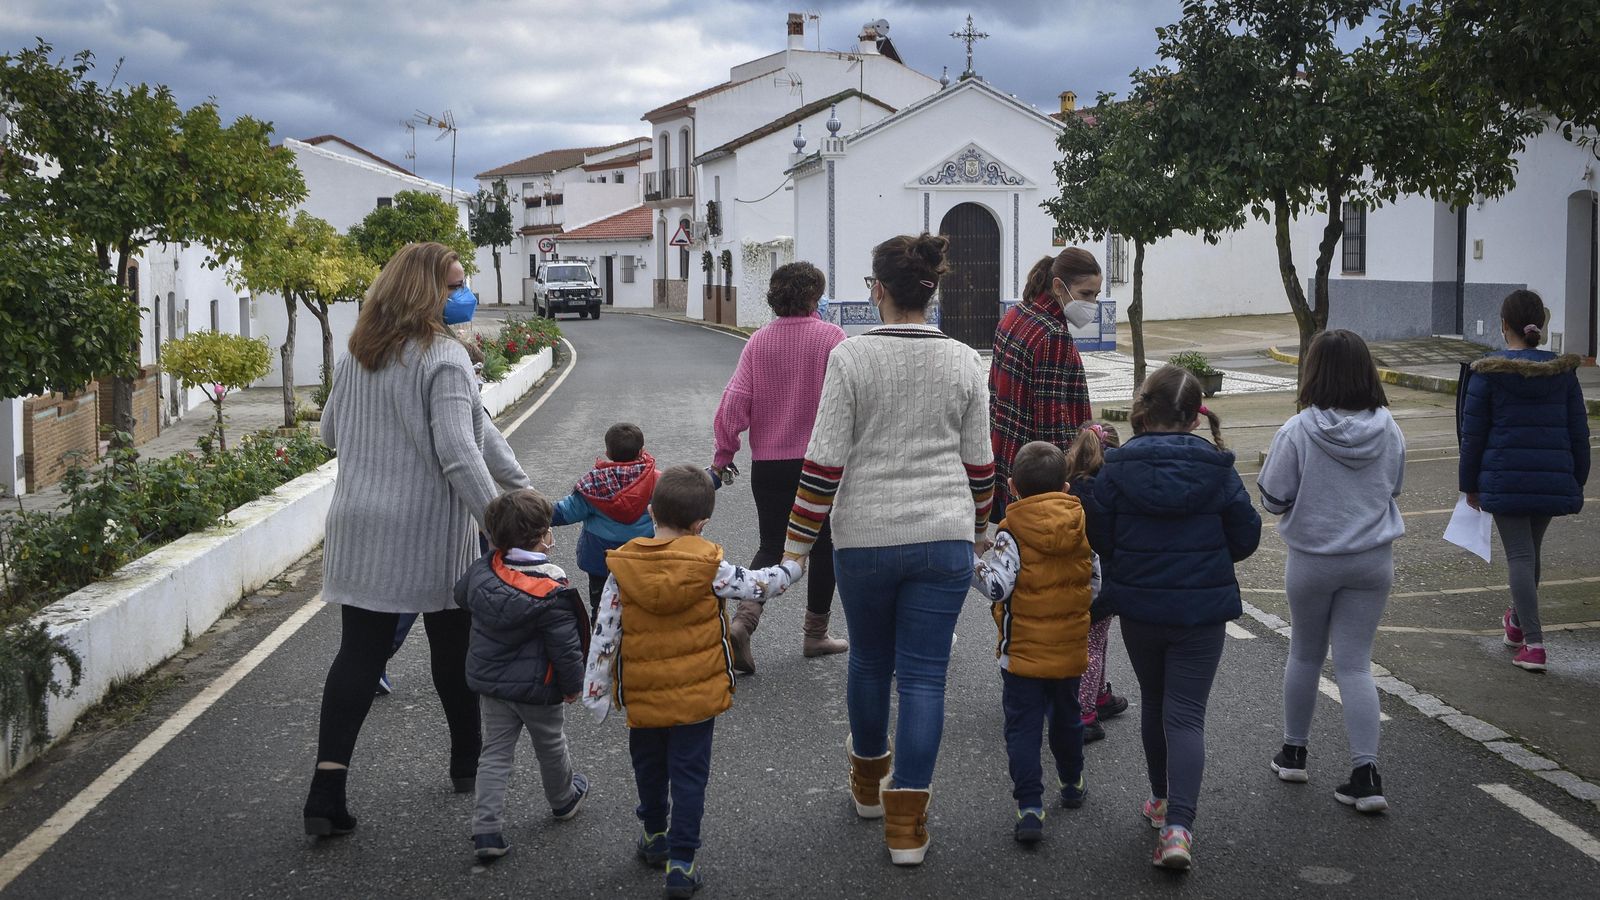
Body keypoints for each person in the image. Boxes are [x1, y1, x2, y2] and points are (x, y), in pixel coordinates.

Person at [303, 242, 529, 837]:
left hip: (357, 526)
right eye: (454, 284)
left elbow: (329, 432)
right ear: (425, 291)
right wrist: (499, 525)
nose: (463, 293)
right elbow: (459, 452)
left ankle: (325, 793)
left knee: (359, 654)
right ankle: (465, 766)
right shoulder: (444, 358)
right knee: (454, 649)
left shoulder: (359, 353)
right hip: (428, 531)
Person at [783, 233, 995, 867]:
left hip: (866, 539)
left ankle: (868, 786)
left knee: (871, 662)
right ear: (933, 289)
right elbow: (980, 463)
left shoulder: (850, 359)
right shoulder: (964, 360)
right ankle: (907, 825)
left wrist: (796, 549)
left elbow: (822, 465)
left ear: (877, 289)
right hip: (944, 536)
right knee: (926, 677)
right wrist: (982, 529)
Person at [582, 466, 802, 898]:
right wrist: (793, 567)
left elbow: (604, 634)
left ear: (650, 512)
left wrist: (596, 692)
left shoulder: (621, 570)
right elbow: (759, 586)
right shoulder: (711, 568)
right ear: (701, 525)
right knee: (689, 775)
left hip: (645, 698)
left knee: (649, 768)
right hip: (697, 699)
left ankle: (653, 836)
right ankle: (682, 862)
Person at [1084, 365, 1260, 870]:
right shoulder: (1217, 467)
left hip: (1141, 609)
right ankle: (1179, 828)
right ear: (1193, 415)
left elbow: (1103, 538)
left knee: (1155, 702)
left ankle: (1161, 801)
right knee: (1186, 714)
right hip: (1202, 612)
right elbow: (1245, 539)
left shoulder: (1117, 467)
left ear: (1146, 407)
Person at [1258, 330, 1406, 813]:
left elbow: (1274, 497)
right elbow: (1394, 487)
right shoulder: (1389, 428)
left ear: (1312, 372)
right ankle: (1366, 775)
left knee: (1304, 654)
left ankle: (1294, 752)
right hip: (1372, 560)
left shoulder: (1298, 430)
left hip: (1313, 560)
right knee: (1356, 664)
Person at [712, 261, 849, 673]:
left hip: (768, 465)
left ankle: (743, 623)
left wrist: (723, 457)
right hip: (820, 465)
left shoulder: (758, 342)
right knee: (823, 547)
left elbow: (734, 402)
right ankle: (814, 634)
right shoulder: (832, 338)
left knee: (773, 544)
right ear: (813, 297)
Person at [381, 338, 524, 696]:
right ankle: (483, 665)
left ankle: (377, 660)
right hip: (465, 518)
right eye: (476, 372)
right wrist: (524, 498)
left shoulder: (423, 396)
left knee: (416, 597)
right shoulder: (460, 398)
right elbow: (495, 456)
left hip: (418, 514)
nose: (478, 379)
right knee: (470, 594)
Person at [455, 489, 591, 860]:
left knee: (495, 753)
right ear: (543, 537)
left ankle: (486, 829)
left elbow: (460, 596)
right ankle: (563, 799)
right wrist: (573, 686)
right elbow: (565, 648)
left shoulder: (484, 569)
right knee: (550, 747)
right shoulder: (552, 587)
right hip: (539, 688)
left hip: (493, 685)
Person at [972, 441, 1097, 845]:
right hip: (1070, 649)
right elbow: (1095, 582)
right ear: (1065, 485)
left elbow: (996, 586)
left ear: (1011, 487)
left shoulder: (1011, 533)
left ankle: (1029, 806)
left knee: (1023, 729)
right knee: (1067, 718)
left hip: (1022, 655)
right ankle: (1073, 783)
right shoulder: (1080, 522)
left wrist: (970, 561)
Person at [1459, 290, 1590, 672]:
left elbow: (1473, 435)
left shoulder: (1488, 373)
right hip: (1551, 477)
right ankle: (1516, 624)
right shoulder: (1562, 373)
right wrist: (1577, 476)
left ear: (1503, 326)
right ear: (1540, 325)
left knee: (1519, 555)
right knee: (1530, 552)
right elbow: (1578, 431)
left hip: (1504, 478)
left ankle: (1534, 644)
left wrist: (1469, 484)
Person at [989, 249, 1101, 523]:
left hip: (1007, 461)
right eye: (1086, 294)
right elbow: (1053, 426)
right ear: (1059, 286)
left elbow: (993, 389)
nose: (1092, 303)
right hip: (1039, 479)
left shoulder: (1016, 314)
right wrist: (1070, 480)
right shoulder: (1053, 335)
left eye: (1096, 296)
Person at [1063, 421, 1129, 744]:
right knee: (1094, 645)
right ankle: (1085, 713)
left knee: (1094, 641)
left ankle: (1099, 695)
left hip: (1074, 579)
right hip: (1105, 581)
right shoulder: (1113, 489)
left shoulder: (1068, 488)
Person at [551, 423, 659, 621]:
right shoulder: (656, 481)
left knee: (601, 608)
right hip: (643, 560)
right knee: (643, 607)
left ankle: (601, 644)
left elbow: (565, 512)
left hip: (601, 561)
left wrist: (532, 514)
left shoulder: (595, 483)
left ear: (608, 453)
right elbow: (680, 501)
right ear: (641, 451)